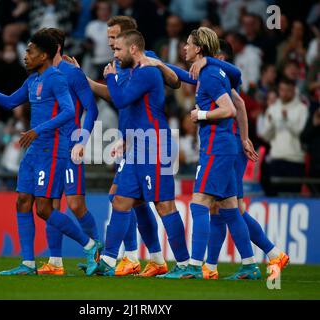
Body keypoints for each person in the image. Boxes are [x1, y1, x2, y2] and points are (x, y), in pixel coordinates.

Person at [0, 30, 100, 275]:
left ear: (45, 54)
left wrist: (37, 130)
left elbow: (69, 112)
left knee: (44, 208)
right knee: (22, 202)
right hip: (34, 151)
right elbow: (9, 102)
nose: (25, 55)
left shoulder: (58, 78)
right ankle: (28, 263)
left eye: (30, 51)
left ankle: (91, 245)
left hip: (53, 150)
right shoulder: (33, 81)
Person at [91, 30, 190, 278]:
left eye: (118, 50)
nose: (114, 54)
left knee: (164, 204)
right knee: (121, 201)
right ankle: (108, 259)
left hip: (155, 145)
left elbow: (122, 99)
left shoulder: (147, 72)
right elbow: (132, 109)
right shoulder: (135, 72)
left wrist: (111, 78)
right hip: (136, 146)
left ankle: (186, 265)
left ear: (133, 49)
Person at [190, 40, 289, 281]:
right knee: (224, 208)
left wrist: (244, 139)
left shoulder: (217, 75)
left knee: (230, 209)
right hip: (230, 146)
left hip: (228, 149)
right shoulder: (215, 75)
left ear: (219, 58)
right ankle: (216, 266)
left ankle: (268, 254)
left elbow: (240, 105)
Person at [186, 27, 261, 280]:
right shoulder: (212, 71)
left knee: (199, 204)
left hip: (216, 147)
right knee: (230, 208)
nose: (184, 48)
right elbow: (235, 86)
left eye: (188, 44)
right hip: (225, 145)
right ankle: (250, 265)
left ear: (198, 48)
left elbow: (229, 109)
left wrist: (201, 115)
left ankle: (195, 266)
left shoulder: (208, 74)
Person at [36, 27, 100, 276]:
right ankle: (55, 262)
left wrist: (81, 141)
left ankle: (99, 252)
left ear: (56, 48)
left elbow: (91, 109)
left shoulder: (72, 73)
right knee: (50, 205)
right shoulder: (41, 74)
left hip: (69, 145)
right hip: (48, 149)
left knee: (74, 203)